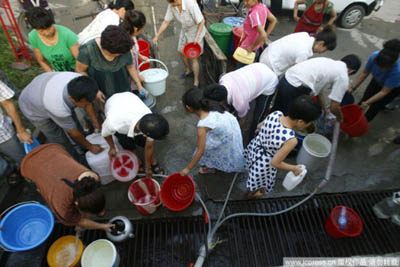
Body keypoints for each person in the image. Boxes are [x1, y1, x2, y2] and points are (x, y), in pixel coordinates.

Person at [21, 144, 114, 231]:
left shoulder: (93, 177)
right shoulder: (62, 206)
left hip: (53, 149)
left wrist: (96, 209)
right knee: (41, 186)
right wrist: (103, 227)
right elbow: (80, 222)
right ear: (76, 203)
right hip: (29, 164)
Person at [244, 95, 322, 199]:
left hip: (255, 148)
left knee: (251, 169)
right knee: (257, 180)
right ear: (301, 122)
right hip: (264, 162)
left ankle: (252, 189)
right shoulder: (290, 140)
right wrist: (294, 168)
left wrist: (264, 134)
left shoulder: (276, 113)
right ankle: (251, 195)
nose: (310, 124)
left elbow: (259, 126)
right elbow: (275, 162)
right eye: (310, 122)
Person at [18, 72, 103, 158]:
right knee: (59, 138)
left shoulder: (81, 81)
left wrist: (95, 123)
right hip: (33, 108)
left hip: (43, 88)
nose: (86, 105)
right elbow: (73, 132)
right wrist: (91, 147)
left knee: (74, 124)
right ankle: (75, 158)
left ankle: (83, 147)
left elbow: (88, 103)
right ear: (72, 99)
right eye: (84, 103)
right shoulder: (58, 107)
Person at [271, 55, 361, 122]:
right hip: (294, 87)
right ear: (352, 70)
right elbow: (334, 107)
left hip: (287, 78)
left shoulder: (329, 62)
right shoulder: (343, 77)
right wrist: (340, 118)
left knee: (276, 111)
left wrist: (325, 110)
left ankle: (264, 128)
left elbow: (319, 92)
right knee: (287, 118)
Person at [203, 63, 278, 141]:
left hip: (269, 80)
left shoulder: (240, 102)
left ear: (221, 102)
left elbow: (243, 119)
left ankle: (252, 138)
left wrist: (235, 133)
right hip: (258, 68)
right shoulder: (224, 78)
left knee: (258, 115)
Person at [101, 92, 169, 177]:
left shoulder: (151, 120)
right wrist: (112, 147)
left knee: (144, 143)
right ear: (146, 135)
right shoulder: (115, 124)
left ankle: (152, 160)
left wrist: (148, 167)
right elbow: (105, 133)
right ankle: (137, 159)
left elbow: (149, 146)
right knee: (126, 142)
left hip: (129, 98)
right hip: (113, 103)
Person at [180, 88, 245, 175]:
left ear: (189, 108)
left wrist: (187, 168)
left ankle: (213, 167)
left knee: (209, 150)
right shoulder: (213, 104)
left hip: (226, 138)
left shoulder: (202, 125)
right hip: (233, 129)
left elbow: (200, 150)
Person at [76, 25, 147, 103]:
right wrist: (94, 90)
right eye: (118, 54)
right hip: (103, 92)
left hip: (123, 87)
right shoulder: (87, 51)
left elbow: (130, 67)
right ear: (107, 50)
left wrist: (139, 86)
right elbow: (80, 71)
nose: (120, 56)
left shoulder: (124, 46)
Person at [153, 0, 206, 87]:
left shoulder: (191, 4)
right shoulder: (172, 5)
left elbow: (202, 21)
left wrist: (197, 37)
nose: (171, 5)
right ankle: (188, 70)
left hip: (195, 31)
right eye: (169, 3)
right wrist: (157, 35)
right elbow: (166, 22)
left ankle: (196, 81)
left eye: (172, 3)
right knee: (181, 51)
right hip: (185, 30)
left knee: (193, 58)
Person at [349, 39, 400, 122]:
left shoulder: (397, 71)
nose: (381, 69)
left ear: (392, 64)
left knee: (375, 106)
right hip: (377, 81)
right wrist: (352, 88)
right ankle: (354, 117)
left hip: (392, 89)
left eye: (384, 67)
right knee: (365, 98)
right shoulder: (374, 56)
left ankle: (362, 124)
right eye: (379, 66)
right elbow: (364, 73)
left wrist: (367, 103)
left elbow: (384, 92)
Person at [259, 25, 337, 77]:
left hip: (267, 53)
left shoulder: (304, 35)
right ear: (321, 44)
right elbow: (295, 72)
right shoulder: (304, 52)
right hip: (270, 65)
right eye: (324, 50)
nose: (321, 53)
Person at [0, 78, 33, 186]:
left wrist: (21, 130)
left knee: (23, 159)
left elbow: (7, 103)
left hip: (3, 134)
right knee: (2, 168)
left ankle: (34, 179)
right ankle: (10, 170)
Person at [26, 7, 79, 72]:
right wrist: (52, 75)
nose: (47, 33)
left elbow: (80, 60)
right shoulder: (33, 36)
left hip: (75, 71)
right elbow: (41, 61)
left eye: (49, 28)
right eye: (41, 31)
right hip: (58, 73)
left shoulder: (67, 35)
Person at [237, 0, 277, 67]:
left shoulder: (254, 14)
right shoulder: (263, 7)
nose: (245, 3)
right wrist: (266, 35)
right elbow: (273, 20)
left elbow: (262, 35)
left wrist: (251, 47)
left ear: (255, 0)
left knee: (241, 71)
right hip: (256, 47)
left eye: (247, 1)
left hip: (248, 49)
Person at [120, 10, 149, 91]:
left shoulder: (132, 34)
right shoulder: (124, 42)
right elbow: (129, 67)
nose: (141, 31)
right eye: (141, 29)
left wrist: (140, 56)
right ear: (136, 29)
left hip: (134, 71)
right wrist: (139, 81)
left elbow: (134, 51)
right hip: (127, 77)